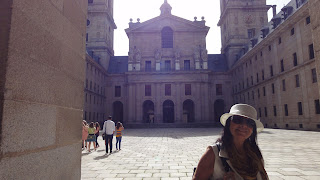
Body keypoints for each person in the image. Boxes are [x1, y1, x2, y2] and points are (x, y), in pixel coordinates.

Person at [193, 104, 269, 180]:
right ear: (229, 123)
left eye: (249, 122)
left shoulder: (255, 153)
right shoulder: (213, 153)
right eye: (238, 120)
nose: (244, 125)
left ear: (253, 129)